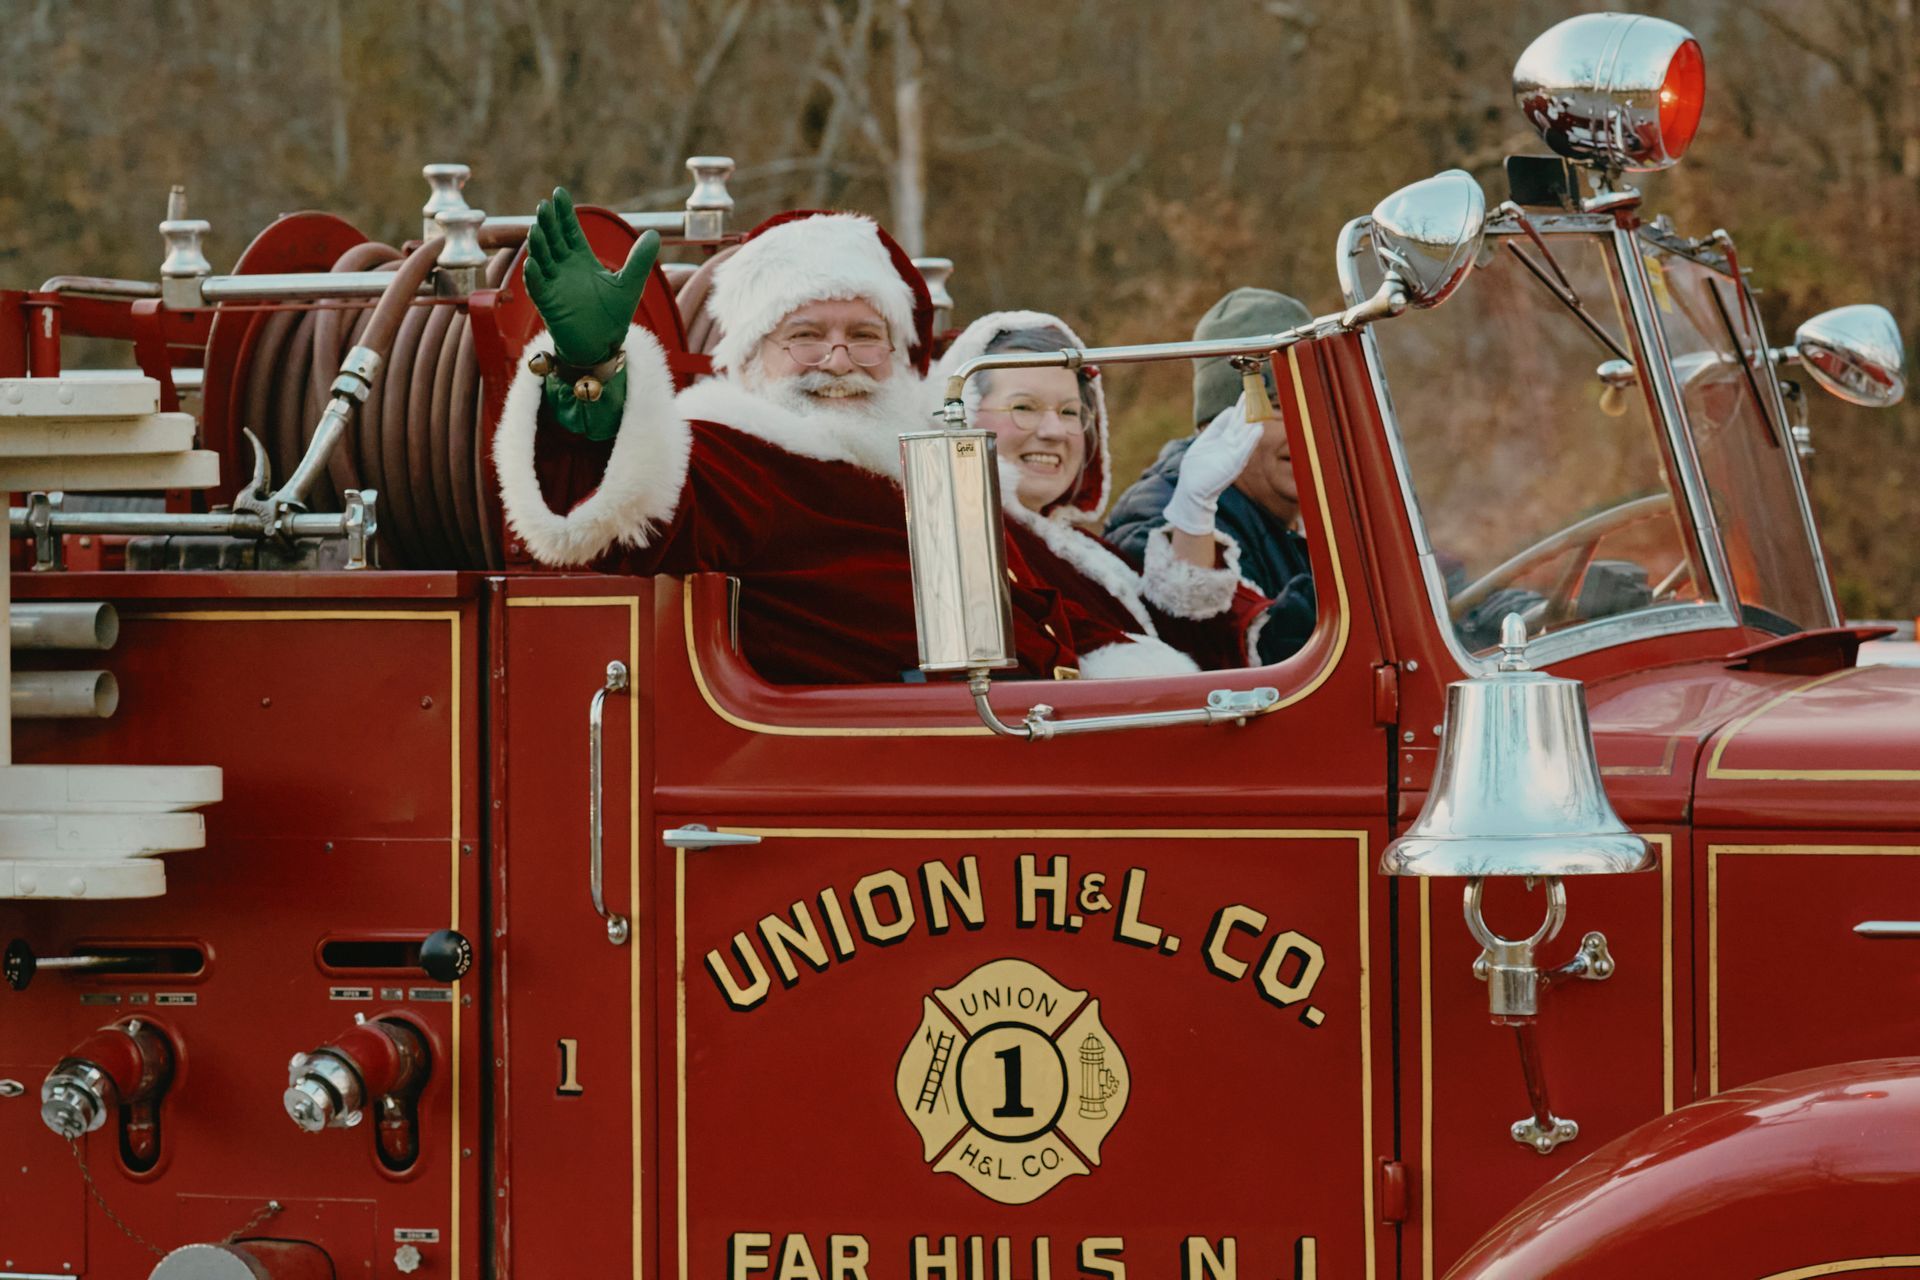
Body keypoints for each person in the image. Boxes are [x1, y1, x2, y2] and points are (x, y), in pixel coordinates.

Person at [494, 193, 1194, 684]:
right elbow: (621, 512)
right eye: (806, 336)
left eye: (864, 336)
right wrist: (590, 373)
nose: (838, 360)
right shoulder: (736, 454)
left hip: (1012, 746)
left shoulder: (921, 458)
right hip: (878, 779)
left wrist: (1135, 674)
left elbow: (1048, 610)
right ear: (746, 358)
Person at [934, 312, 1269, 667]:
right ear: (962, 416)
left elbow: (1200, 638)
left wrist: (1194, 510)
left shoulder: (1081, 549)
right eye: (1024, 407)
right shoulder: (968, 550)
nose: (1054, 431)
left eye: (1068, 412)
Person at [1106, 286, 1319, 664]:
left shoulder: (1300, 514)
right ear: (1214, 428)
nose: (1307, 429)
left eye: (1315, 406)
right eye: (1276, 407)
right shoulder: (1161, 522)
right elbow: (1240, 656)